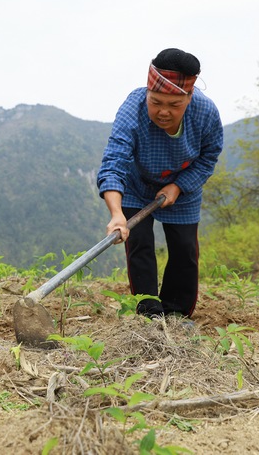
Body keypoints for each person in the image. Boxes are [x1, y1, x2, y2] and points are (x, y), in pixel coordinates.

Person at [97, 48, 223, 320]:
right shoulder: (133, 108)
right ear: (147, 94)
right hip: (136, 184)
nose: (163, 112)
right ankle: (150, 314)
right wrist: (117, 214)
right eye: (156, 102)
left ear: (189, 98)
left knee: (184, 249)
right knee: (139, 243)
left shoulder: (206, 112)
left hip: (183, 185)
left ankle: (176, 314)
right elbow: (115, 159)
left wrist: (179, 186)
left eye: (174, 105)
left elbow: (209, 155)